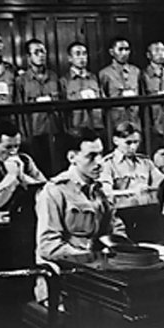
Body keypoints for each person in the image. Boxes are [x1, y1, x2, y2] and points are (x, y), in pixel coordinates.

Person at [35, 127, 126, 301]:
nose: (99, 162)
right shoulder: (54, 192)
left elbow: (116, 230)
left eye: (100, 154)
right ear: (72, 158)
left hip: (97, 277)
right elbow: (48, 246)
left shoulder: (101, 191)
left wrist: (121, 250)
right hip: (63, 284)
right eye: (91, 157)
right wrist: (90, 259)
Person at [99, 122, 164, 207]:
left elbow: (161, 182)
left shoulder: (145, 162)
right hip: (120, 211)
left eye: (136, 142)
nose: (133, 147)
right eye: (128, 143)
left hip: (147, 209)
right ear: (116, 140)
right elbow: (106, 193)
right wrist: (133, 192)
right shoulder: (108, 164)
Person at [16, 39, 62, 136]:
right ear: (29, 57)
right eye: (36, 52)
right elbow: (19, 113)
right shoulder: (22, 80)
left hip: (54, 130)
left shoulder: (54, 77)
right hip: (33, 132)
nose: (41, 55)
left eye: (43, 52)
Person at [59, 41, 104, 130]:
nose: (82, 58)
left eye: (84, 54)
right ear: (70, 58)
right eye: (77, 54)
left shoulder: (94, 78)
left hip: (96, 126)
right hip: (76, 129)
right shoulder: (64, 81)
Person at [99, 37, 141, 126]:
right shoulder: (105, 73)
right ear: (111, 52)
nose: (124, 53)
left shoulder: (136, 71)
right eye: (120, 49)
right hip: (116, 122)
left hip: (134, 120)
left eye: (127, 49)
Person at [141, 41, 164, 146]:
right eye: (156, 50)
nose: (161, 53)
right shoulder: (144, 75)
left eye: (163, 50)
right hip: (153, 125)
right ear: (148, 55)